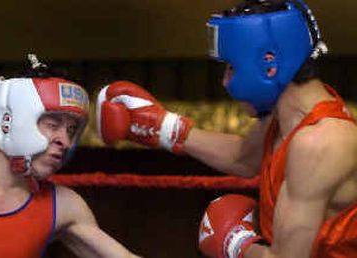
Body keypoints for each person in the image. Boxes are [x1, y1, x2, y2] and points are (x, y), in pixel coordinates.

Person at [95, 0, 357, 257]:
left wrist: (236, 243)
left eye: (232, 67)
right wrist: (162, 127)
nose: (225, 81)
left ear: (269, 65)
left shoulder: (319, 142)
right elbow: (243, 157)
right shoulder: (286, 118)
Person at [0, 54, 141, 258]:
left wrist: (173, 130)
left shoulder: (62, 206)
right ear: (9, 121)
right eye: (52, 125)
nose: (65, 142)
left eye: (71, 131)